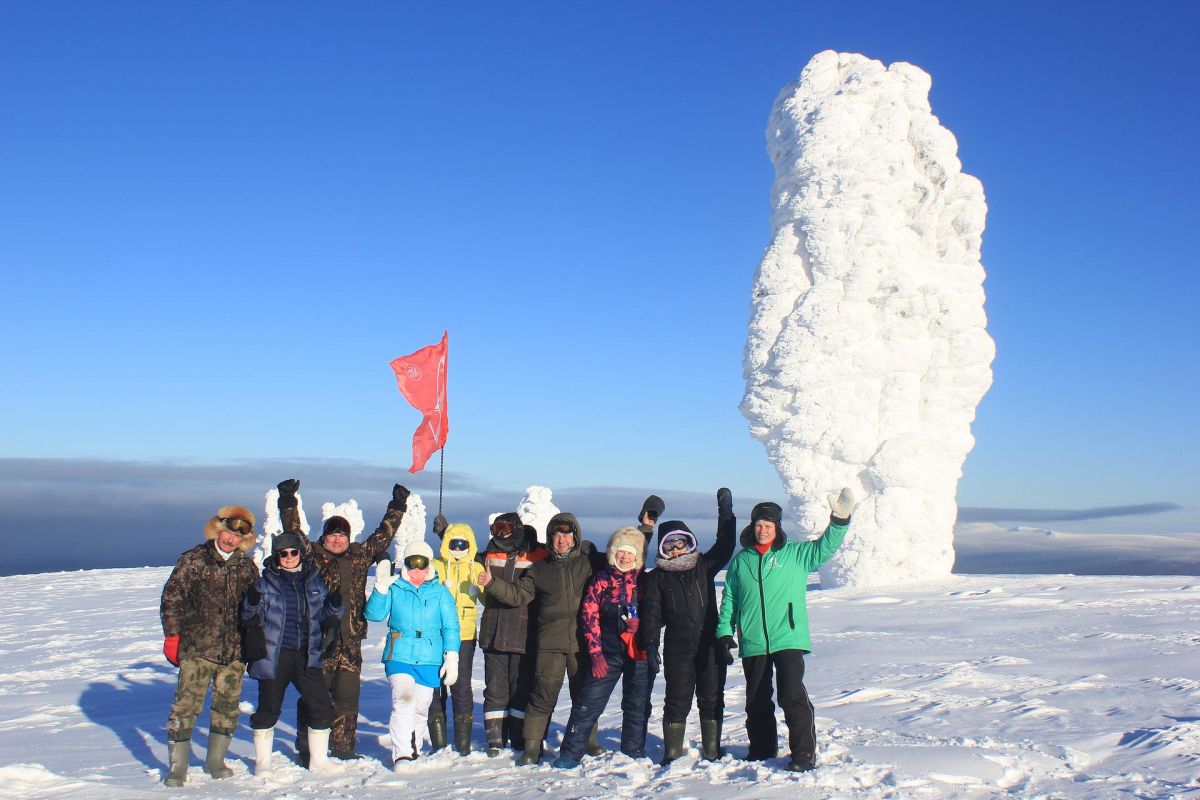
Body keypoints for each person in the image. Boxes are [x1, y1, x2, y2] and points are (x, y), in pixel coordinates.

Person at [715, 488, 856, 772]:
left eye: (768, 525)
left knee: (791, 695)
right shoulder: (741, 561)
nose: (762, 530)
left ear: (777, 528)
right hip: (753, 639)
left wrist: (839, 521)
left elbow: (824, 548)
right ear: (751, 527)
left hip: (788, 637)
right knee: (756, 700)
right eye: (758, 525)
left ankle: (803, 753)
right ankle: (761, 749)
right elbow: (730, 597)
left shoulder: (795, 554)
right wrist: (724, 631)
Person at [275, 478, 409, 762]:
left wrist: (397, 505)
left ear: (349, 538)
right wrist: (287, 500)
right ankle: (308, 747)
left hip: (350, 641)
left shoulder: (359, 558)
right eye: (332, 535)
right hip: (317, 641)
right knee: (314, 697)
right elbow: (294, 531)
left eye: (343, 536)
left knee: (348, 698)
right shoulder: (311, 556)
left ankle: (343, 747)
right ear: (324, 537)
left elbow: (383, 535)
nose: (337, 540)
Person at [480, 512, 608, 765]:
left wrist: (644, 529)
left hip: (583, 643)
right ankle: (531, 748)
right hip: (550, 643)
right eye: (556, 535)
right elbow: (518, 596)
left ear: (576, 537)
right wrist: (492, 583)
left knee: (584, 695)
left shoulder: (589, 563)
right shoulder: (539, 568)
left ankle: (589, 742)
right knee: (541, 697)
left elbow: (623, 558)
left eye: (567, 535)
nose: (561, 540)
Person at [159, 505, 260, 787]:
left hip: (234, 653)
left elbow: (256, 608)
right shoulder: (194, 560)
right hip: (197, 649)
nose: (230, 539)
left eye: (237, 536)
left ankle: (215, 760)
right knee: (185, 706)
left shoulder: (247, 567)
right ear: (218, 530)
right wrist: (172, 637)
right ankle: (177, 767)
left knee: (227, 707)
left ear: (244, 539)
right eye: (227, 532)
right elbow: (172, 599)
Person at [639, 488, 737, 764]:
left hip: (709, 644)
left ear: (690, 542)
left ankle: (713, 750)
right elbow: (651, 614)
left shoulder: (704, 566)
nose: (676, 548)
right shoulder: (658, 577)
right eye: (670, 545)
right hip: (677, 647)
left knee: (711, 697)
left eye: (680, 542)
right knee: (677, 699)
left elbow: (726, 544)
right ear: (662, 548)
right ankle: (672, 752)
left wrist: (726, 513)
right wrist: (649, 642)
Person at [551, 526, 657, 768]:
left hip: (638, 651)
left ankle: (633, 752)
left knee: (637, 704)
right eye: (621, 551)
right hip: (607, 653)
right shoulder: (601, 579)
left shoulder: (646, 581)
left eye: (630, 553)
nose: (625, 557)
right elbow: (589, 616)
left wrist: (641, 626)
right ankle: (569, 754)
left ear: (638, 556)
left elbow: (657, 613)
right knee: (587, 703)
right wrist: (596, 653)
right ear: (613, 552)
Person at [242, 531, 345, 776]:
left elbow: (324, 615)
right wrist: (252, 601)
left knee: (321, 706)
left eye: (293, 552)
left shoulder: (313, 580)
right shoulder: (265, 583)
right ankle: (263, 763)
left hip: (306, 654)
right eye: (283, 554)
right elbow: (247, 616)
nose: (288, 558)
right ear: (276, 557)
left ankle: (318, 760)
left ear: (300, 553)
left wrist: (335, 605)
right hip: (274, 656)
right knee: (269, 709)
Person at [364, 540, 460, 767]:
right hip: (399, 655)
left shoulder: (439, 592)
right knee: (404, 700)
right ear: (405, 564)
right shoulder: (395, 587)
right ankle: (402, 753)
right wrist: (380, 588)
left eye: (422, 563)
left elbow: (451, 627)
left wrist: (452, 657)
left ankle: (414, 746)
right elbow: (374, 615)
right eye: (411, 563)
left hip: (430, 657)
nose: (417, 569)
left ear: (429, 565)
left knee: (421, 706)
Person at [475, 512, 546, 755]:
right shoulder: (489, 553)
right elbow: (460, 555)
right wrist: (445, 534)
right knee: (495, 689)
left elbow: (520, 595)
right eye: (495, 529)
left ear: (516, 528)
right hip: (493, 632)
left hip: (523, 634)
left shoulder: (537, 554)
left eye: (504, 528)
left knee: (520, 689)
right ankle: (495, 740)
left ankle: (518, 738)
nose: (500, 534)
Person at [429, 520, 484, 754]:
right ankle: (439, 745)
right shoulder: (436, 566)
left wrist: (485, 587)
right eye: (454, 543)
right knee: (435, 687)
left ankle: (463, 746)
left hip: (465, 637)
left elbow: (487, 602)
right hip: (435, 636)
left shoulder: (477, 568)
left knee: (461, 687)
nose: (459, 549)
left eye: (463, 544)